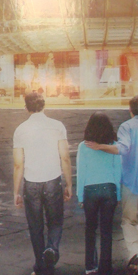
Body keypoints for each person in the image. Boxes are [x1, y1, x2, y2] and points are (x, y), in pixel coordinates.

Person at [13, 92, 72, 275]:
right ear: (44, 106)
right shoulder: (57, 126)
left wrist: (16, 191)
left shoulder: (20, 129)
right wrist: (69, 183)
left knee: (35, 225)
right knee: (55, 221)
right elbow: (65, 157)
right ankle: (52, 249)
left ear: (26, 108)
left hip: (31, 182)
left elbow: (18, 164)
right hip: (53, 180)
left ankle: (40, 265)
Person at [85, 94, 138, 275]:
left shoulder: (127, 126)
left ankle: (135, 254)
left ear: (131, 110)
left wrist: (100, 146)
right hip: (124, 185)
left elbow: (122, 150)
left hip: (132, 182)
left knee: (129, 221)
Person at [77, 112, 121, 275]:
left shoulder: (83, 146)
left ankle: (90, 266)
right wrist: (118, 195)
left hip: (90, 190)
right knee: (107, 230)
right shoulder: (113, 145)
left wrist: (80, 196)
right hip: (109, 189)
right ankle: (105, 267)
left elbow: (81, 172)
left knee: (90, 229)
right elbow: (118, 170)